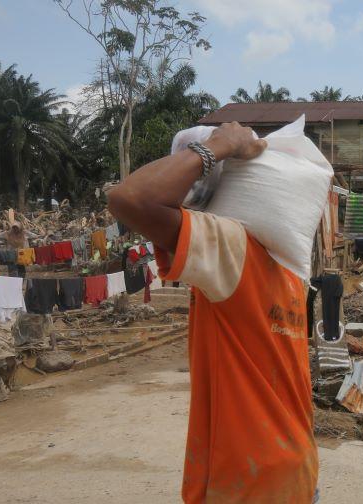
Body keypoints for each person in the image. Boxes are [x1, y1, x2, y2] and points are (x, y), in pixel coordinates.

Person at [107, 122, 318, 503]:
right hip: (295, 468)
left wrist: (219, 144)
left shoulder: (232, 247)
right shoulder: (290, 271)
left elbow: (130, 199)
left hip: (247, 482)